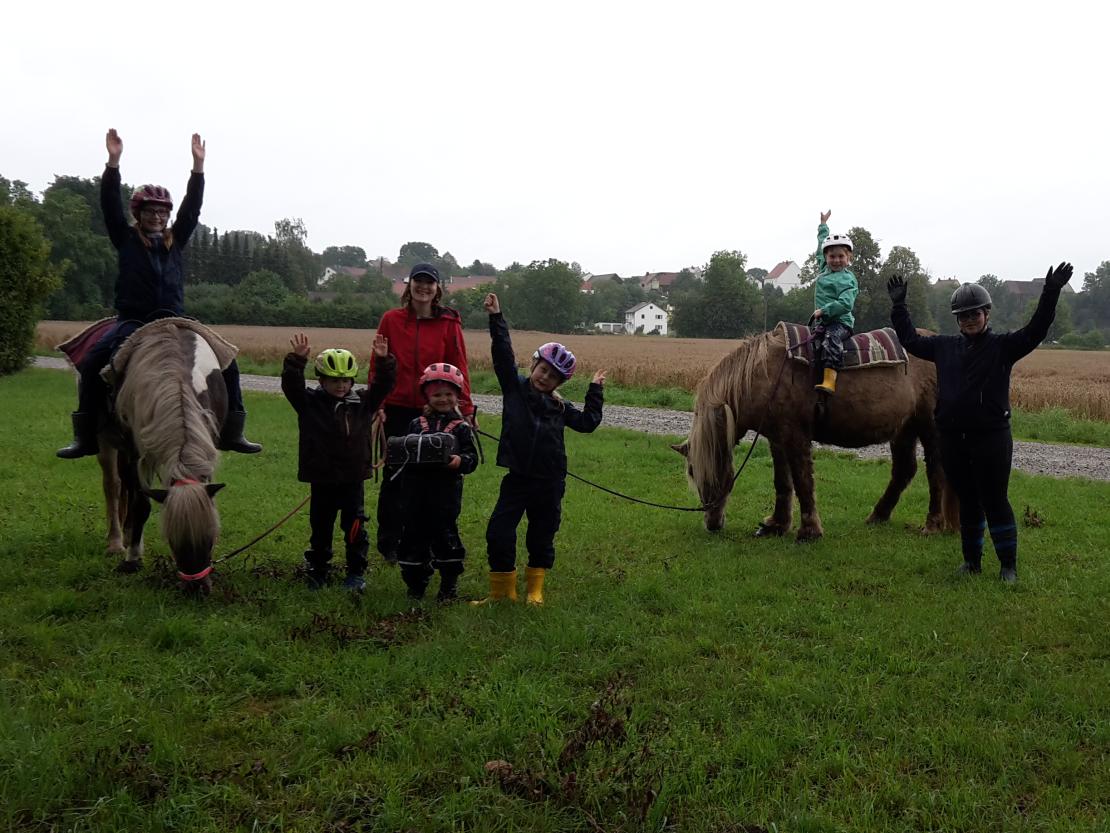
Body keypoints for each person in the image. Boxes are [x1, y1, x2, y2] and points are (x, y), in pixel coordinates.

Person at [57, 129, 260, 458]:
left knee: (229, 361)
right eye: (150, 211)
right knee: (94, 361)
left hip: (175, 321)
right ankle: (86, 436)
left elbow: (191, 211)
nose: (157, 216)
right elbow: (109, 204)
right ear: (138, 214)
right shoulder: (125, 239)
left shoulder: (175, 240)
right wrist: (113, 162)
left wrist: (198, 169)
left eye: (162, 212)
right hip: (133, 322)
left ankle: (233, 430)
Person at [887, 263, 1074, 583]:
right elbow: (910, 340)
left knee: (995, 499)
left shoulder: (1003, 346)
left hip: (991, 437)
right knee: (968, 500)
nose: (969, 319)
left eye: (974, 314)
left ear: (987, 314)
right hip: (952, 438)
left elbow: (1036, 330)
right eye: (963, 315)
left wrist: (1051, 292)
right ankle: (972, 562)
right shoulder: (944, 347)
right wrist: (899, 306)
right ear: (956, 319)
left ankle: (1008, 566)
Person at [478, 292, 605, 605]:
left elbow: (588, 423)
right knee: (498, 532)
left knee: (542, 534)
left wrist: (595, 391)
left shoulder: (559, 407)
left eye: (553, 377)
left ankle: (534, 590)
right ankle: (501, 593)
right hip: (518, 479)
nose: (545, 378)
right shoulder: (514, 389)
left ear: (559, 383)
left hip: (549, 482)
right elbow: (503, 356)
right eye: (543, 369)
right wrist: (497, 319)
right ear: (533, 365)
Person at [370, 263, 474, 564]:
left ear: (437, 289)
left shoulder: (449, 323)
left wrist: (465, 409)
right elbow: (378, 364)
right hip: (398, 408)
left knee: (432, 479)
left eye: (430, 283)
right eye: (419, 281)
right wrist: (377, 404)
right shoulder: (390, 320)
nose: (424, 287)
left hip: (436, 412)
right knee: (395, 476)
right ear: (409, 285)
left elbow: (459, 365)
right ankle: (390, 542)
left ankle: (429, 540)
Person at [282, 332, 396, 591]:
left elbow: (385, 384)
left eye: (345, 380)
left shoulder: (364, 403)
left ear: (352, 380)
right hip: (321, 479)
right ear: (321, 380)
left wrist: (383, 360)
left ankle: (355, 573)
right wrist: (296, 362)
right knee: (320, 529)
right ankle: (318, 570)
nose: (341, 385)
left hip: (352, 479)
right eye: (334, 380)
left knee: (355, 529)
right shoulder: (309, 403)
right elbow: (291, 385)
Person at [396, 363, 479, 602]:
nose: (443, 399)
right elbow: (401, 455)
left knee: (446, 538)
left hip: (445, 496)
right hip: (414, 494)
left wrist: (458, 461)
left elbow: (472, 459)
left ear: (457, 396)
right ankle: (415, 585)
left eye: (449, 394)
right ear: (427, 396)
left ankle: (448, 587)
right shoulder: (415, 425)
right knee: (413, 539)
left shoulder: (462, 428)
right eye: (437, 394)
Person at [811, 209, 859, 394]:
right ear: (825, 258)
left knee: (831, 340)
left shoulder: (848, 279)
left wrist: (825, 311)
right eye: (832, 256)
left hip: (840, 323)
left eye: (841, 256)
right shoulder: (824, 269)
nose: (836, 260)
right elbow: (820, 246)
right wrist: (823, 225)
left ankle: (830, 380)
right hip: (822, 321)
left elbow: (846, 304)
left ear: (848, 259)